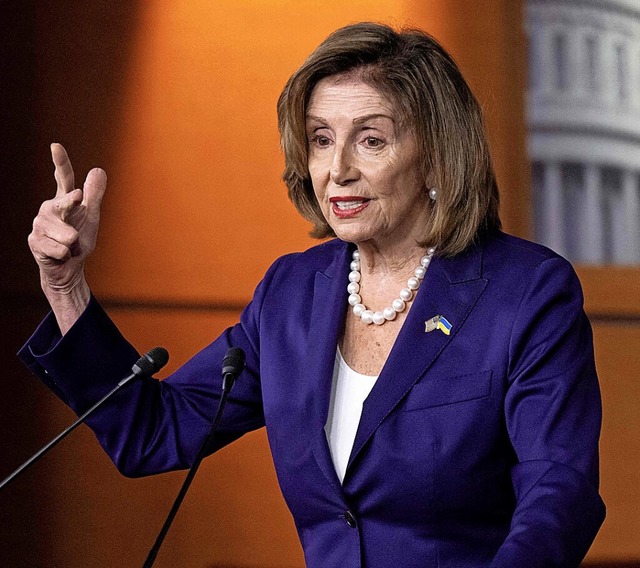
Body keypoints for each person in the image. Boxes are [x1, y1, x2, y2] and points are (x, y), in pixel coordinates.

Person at [20, 22, 605, 567]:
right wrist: (66, 287)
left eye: (371, 140)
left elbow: (560, 492)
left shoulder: (525, 292)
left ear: (436, 156)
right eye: (321, 140)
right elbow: (152, 432)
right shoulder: (292, 294)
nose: (337, 170)